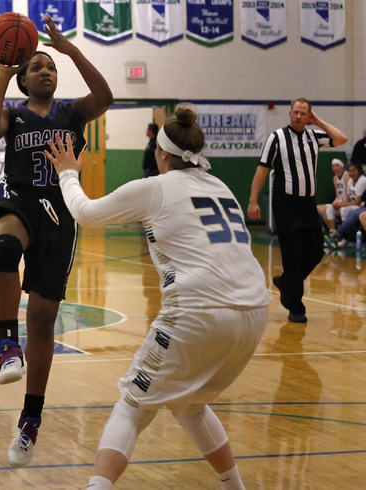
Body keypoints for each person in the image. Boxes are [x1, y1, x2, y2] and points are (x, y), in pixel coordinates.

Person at [45, 106, 270, 490]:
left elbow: (84, 212)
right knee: (191, 403)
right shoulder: (221, 188)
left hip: (200, 311)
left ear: (161, 153)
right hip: (255, 311)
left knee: (132, 405)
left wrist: (68, 172)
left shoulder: (155, 188)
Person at [0, 15, 112, 468]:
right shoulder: (13, 114)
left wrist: (71, 50)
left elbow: (107, 96)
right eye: (36, 66)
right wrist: (1, 75)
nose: (45, 71)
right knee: (2, 248)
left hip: (61, 215)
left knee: (42, 317)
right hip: (18, 202)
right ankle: (4, 345)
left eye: (50, 66)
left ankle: (31, 420)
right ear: (22, 76)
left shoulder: (73, 112)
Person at [247, 98, 347, 323]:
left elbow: (342, 139)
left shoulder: (314, 137)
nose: (298, 116)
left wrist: (319, 122)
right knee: (292, 255)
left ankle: (285, 283)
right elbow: (262, 170)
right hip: (285, 204)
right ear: (290, 114)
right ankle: (296, 307)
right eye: (295, 112)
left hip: (307, 204)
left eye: (303, 113)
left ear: (309, 116)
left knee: (316, 252)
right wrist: (253, 201)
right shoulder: (277, 138)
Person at [317, 158, 348, 234]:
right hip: (340, 202)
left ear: (342, 166)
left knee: (340, 210)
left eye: (337, 165)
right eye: (333, 166)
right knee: (326, 209)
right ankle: (332, 232)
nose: (335, 168)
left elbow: (348, 197)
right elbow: (338, 196)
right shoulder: (335, 178)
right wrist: (334, 203)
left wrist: (339, 204)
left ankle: (342, 234)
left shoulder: (346, 176)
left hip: (346, 203)